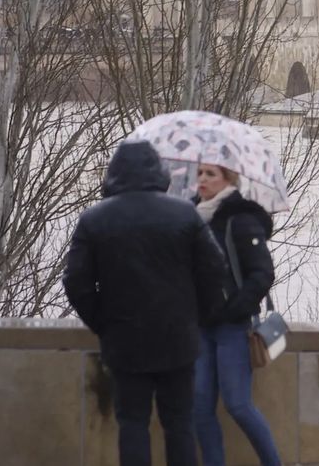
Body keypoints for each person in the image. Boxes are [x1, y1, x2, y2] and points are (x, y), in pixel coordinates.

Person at [63, 141, 227, 466]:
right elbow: (215, 269)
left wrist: (103, 322)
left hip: (124, 340)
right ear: (159, 173)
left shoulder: (94, 219)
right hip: (178, 339)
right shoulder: (184, 213)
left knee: (133, 424)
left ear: (113, 174)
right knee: (179, 424)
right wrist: (196, 317)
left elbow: (76, 281)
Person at [190, 163, 282, 466]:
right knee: (200, 408)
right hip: (200, 326)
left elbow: (262, 273)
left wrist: (234, 308)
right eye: (199, 173)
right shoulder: (190, 218)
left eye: (210, 174)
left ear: (228, 180)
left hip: (233, 328)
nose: (202, 179)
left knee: (238, 405)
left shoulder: (240, 219)